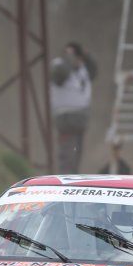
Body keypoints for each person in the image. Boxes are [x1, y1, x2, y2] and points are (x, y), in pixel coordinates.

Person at [50, 42, 96, 174]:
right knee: (67, 156)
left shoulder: (82, 69)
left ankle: (74, 179)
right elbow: (59, 77)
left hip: (80, 119)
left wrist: (87, 56)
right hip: (66, 119)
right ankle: (65, 181)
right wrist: (69, 58)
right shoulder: (59, 65)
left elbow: (94, 72)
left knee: (76, 155)